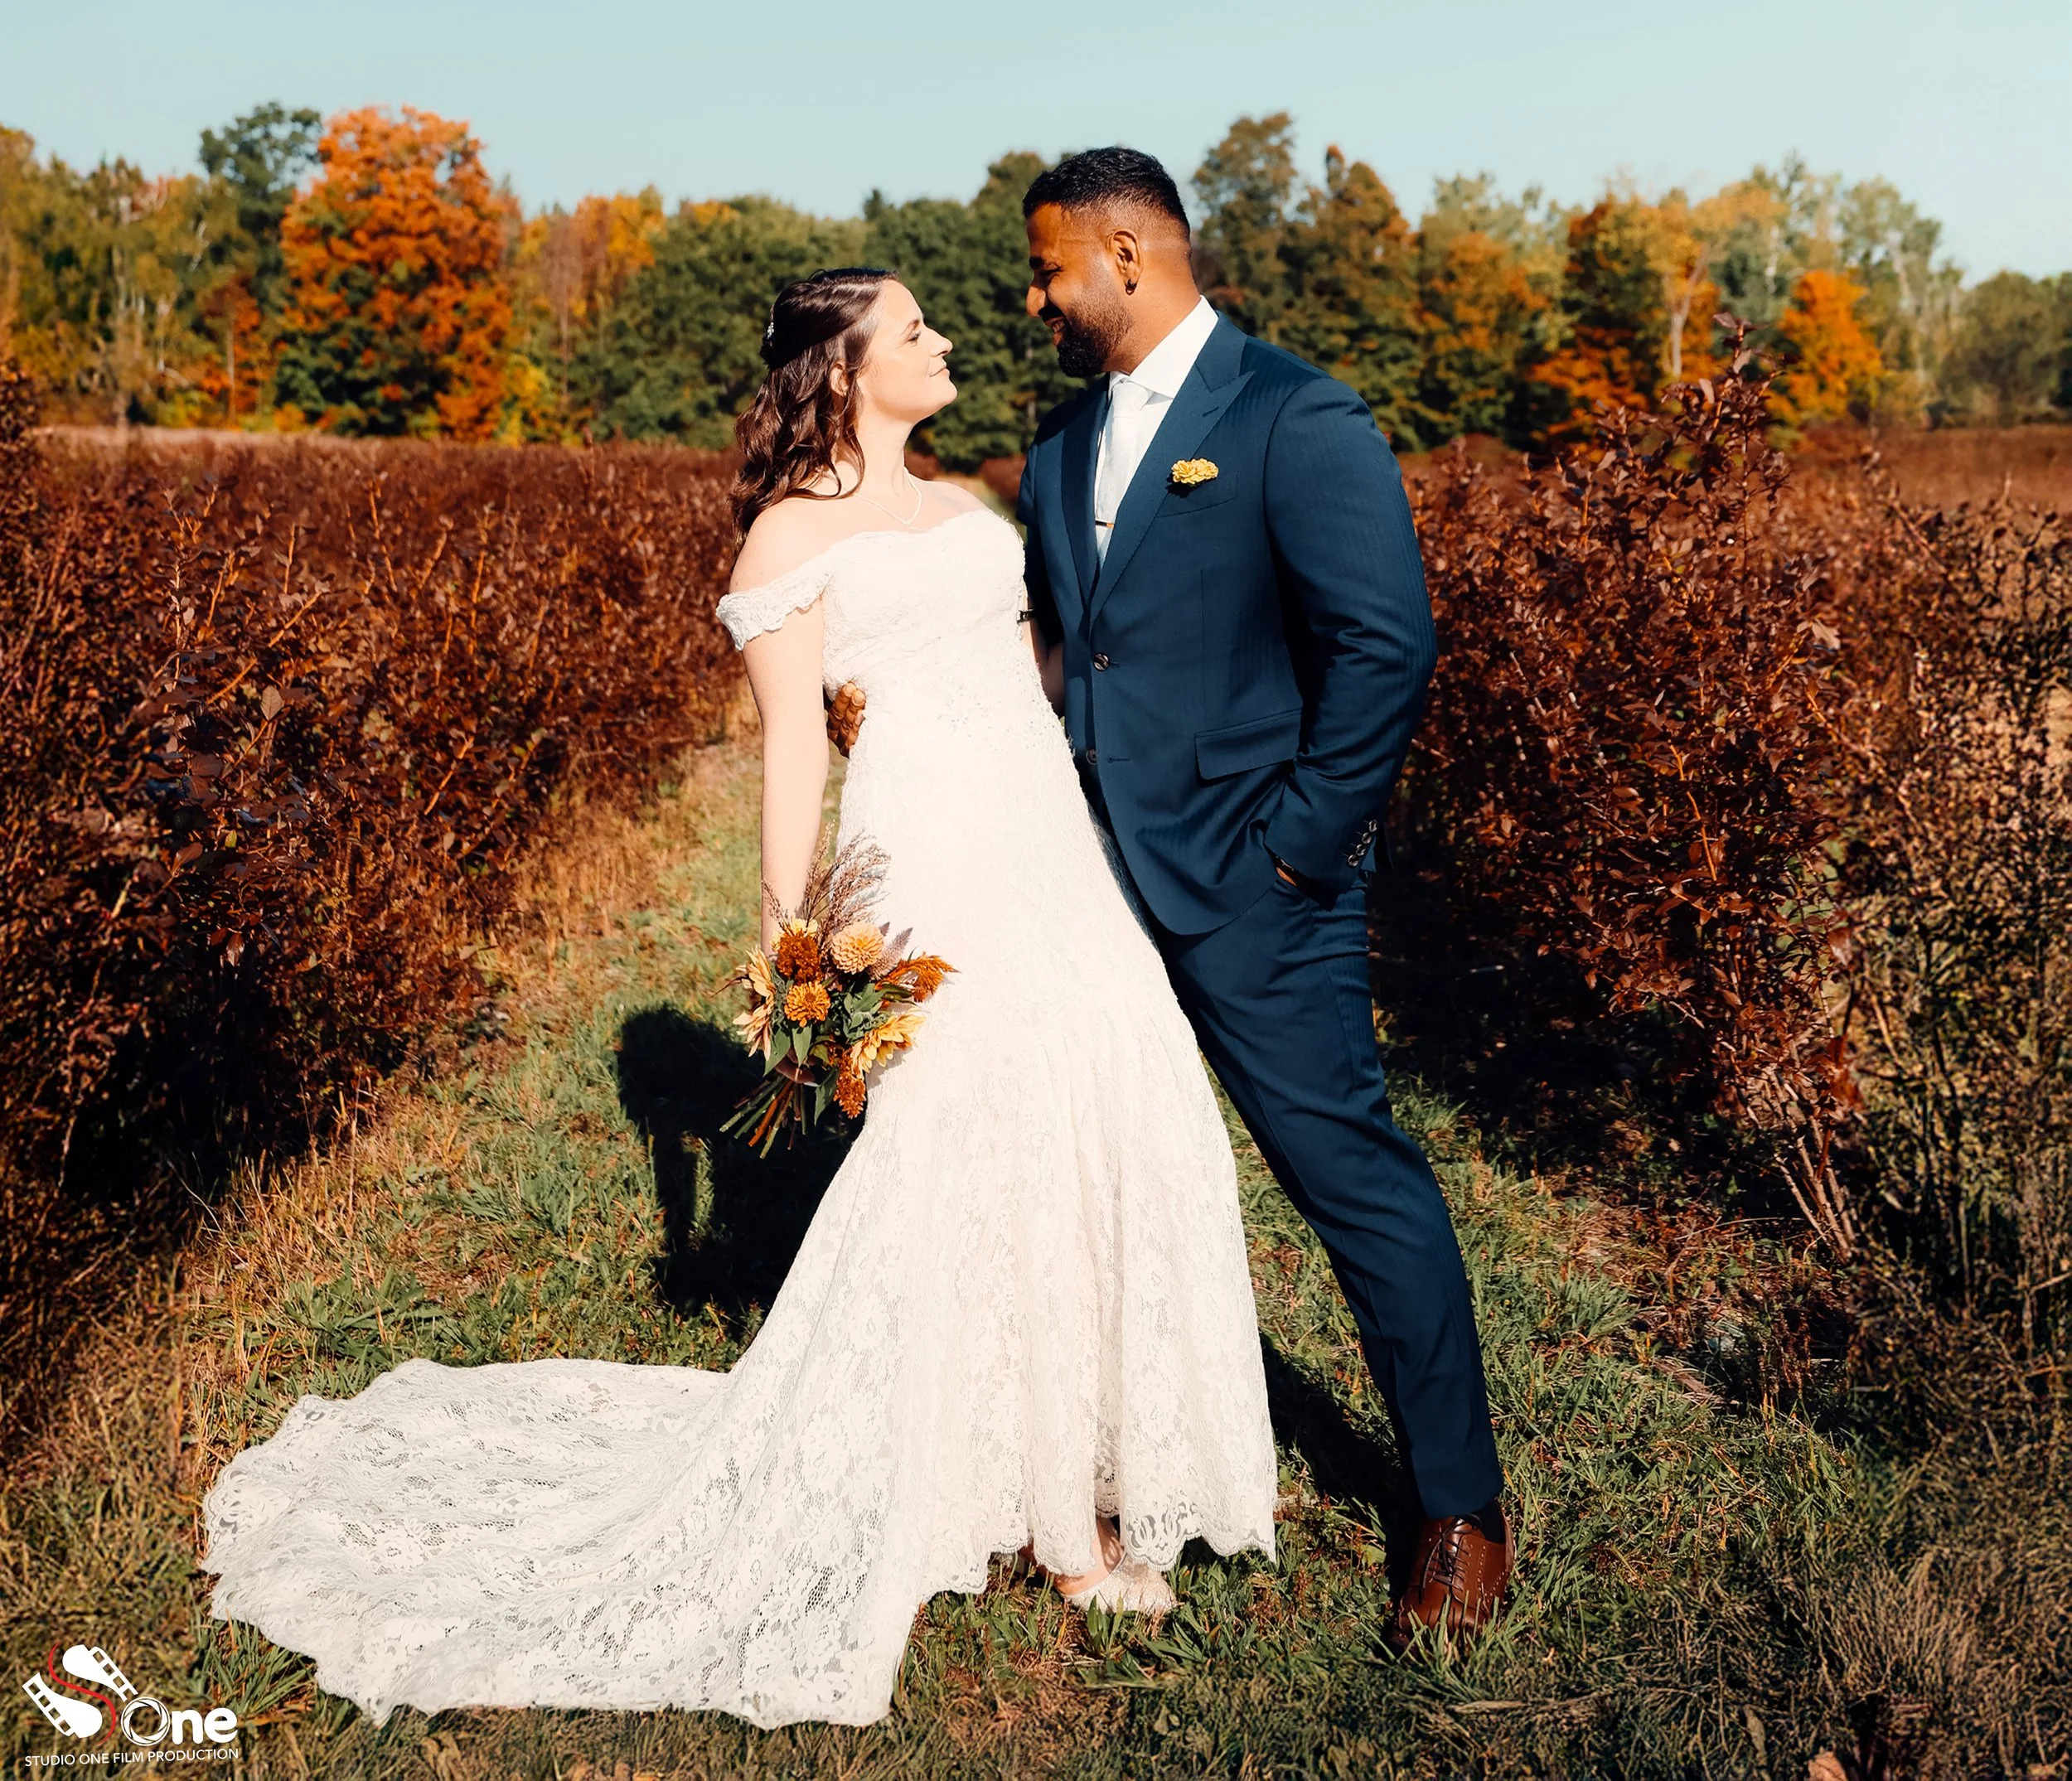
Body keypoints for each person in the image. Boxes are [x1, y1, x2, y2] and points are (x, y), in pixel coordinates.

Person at [199, 267, 1276, 1731]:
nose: (942, 341)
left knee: (1119, 1088)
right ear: (843, 368)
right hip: (927, 858)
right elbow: (793, 753)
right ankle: (1053, 1528)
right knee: (978, 1127)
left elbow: (1029, 672)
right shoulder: (789, 532)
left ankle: (1081, 1445)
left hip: (1047, 843)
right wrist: (794, 934)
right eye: (912, 331)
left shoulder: (970, 501)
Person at [1017, 147, 1513, 1646]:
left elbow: (1386, 648)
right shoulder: (1052, 449)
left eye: (1047, 269)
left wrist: (1296, 849)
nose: (1034, 300)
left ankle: (1457, 1506)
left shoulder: (1299, 414)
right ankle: (1081, 1474)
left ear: (1124, 253)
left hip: (1259, 888)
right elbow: (1068, 654)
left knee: (1350, 1178)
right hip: (1088, 891)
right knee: (1086, 1184)